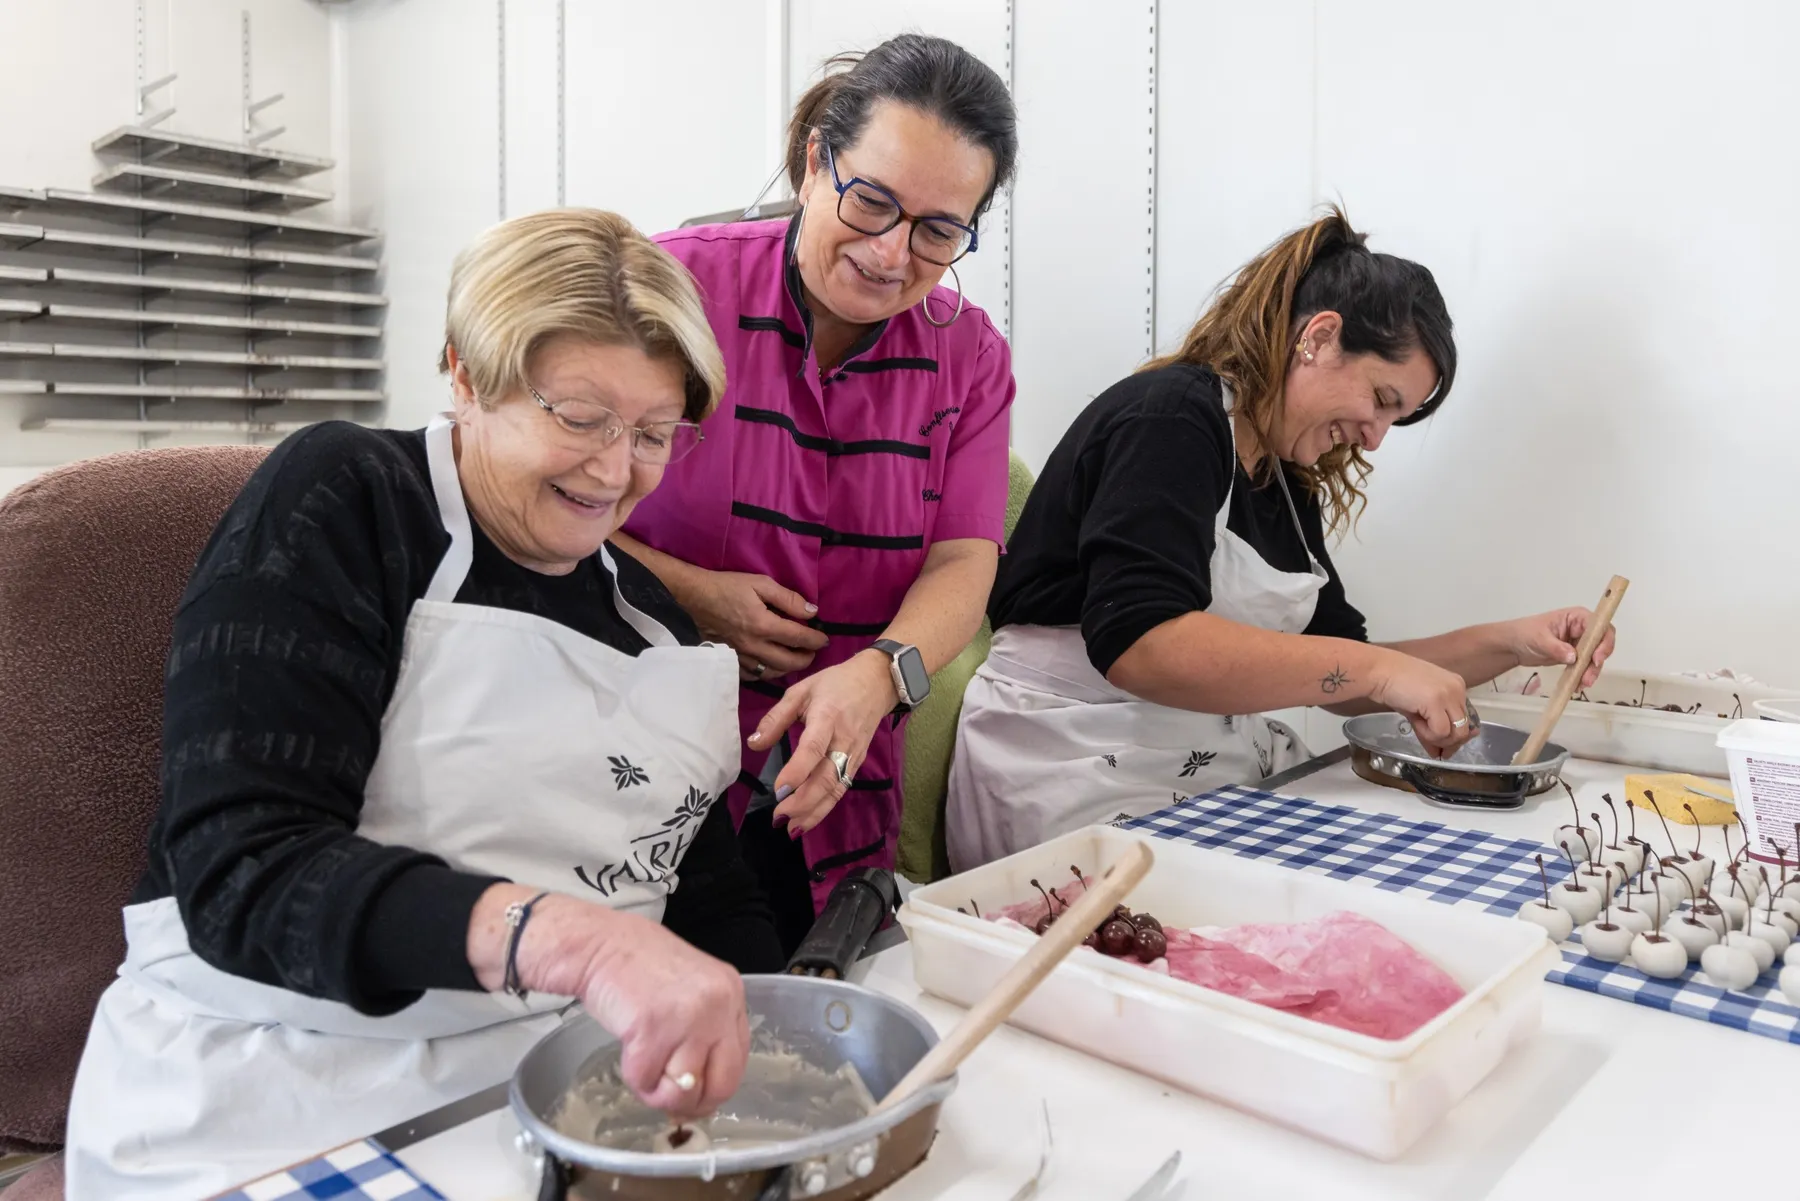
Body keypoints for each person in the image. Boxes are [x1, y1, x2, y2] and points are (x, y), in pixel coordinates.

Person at [62, 209, 783, 1199]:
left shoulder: (652, 621)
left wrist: (783, 1036)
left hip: (545, 1090)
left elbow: (705, 891)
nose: (617, 472)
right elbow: (244, 868)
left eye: (655, 434)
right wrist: (582, 942)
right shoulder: (347, 500)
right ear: (465, 374)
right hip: (269, 1080)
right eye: (578, 418)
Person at [946, 209, 1617, 871]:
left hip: (1192, 759)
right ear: (1320, 337)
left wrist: (1513, 641)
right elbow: (1139, 645)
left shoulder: (1285, 487)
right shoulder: (1173, 417)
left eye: (1398, 418)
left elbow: (1344, 674)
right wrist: (1382, 672)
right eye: (1381, 398)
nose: (1376, 436)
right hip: (1067, 763)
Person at [614, 34, 1019, 951]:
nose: (890, 253)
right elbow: (532, 493)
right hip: (638, 764)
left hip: (836, 787)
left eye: (938, 231)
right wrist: (687, 591)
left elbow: (964, 560)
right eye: (871, 201)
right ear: (813, 163)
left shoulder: (971, 356)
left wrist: (880, 675)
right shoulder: (672, 287)